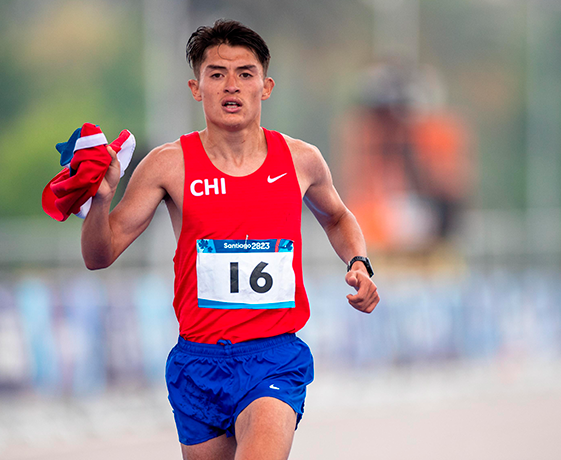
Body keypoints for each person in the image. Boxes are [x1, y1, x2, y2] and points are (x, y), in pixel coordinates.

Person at [81, 19, 379, 460]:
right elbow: (99, 255)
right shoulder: (168, 165)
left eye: (245, 73)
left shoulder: (301, 160)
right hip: (198, 363)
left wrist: (359, 262)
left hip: (273, 357)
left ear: (266, 85)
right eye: (216, 74)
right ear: (196, 87)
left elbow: (337, 217)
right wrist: (101, 200)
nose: (231, 86)